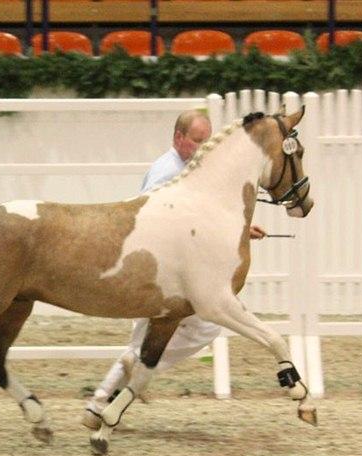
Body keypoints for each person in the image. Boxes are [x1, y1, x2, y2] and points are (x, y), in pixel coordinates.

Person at [82, 110, 267, 430]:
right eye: (197, 140)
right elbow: (153, 216)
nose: (203, 147)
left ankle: (99, 402)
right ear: (178, 138)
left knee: (142, 343)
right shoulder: (167, 171)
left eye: (206, 140)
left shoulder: (189, 170)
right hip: (162, 278)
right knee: (203, 329)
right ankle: (120, 386)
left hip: (169, 276)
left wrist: (242, 227)